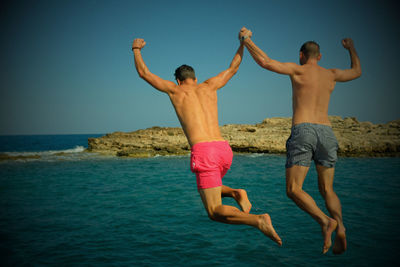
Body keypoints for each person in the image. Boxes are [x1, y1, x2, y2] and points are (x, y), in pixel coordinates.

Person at [132, 33, 282, 246]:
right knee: (206, 189)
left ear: (178, 80)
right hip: (223, 150)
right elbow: (233, 68)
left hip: (204, 152)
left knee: (213, 211)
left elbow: (143, 73)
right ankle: (236, 192)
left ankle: (259, 221)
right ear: (195, 77)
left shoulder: (175, 91)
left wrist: (136, 49)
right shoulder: (210, 85)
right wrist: (242, 44)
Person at [239, 27, 361, 254]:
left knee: (294, 189)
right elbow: (356, 71)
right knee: (327, 190)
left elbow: (265, 62)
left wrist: (247, 40)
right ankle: (341, 226)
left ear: (301, 55)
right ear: (320, 57)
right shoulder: (331, 73)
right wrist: (351, 48)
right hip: (327, 132)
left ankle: (326, 222)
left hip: (303, 129)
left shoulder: (297, 69)